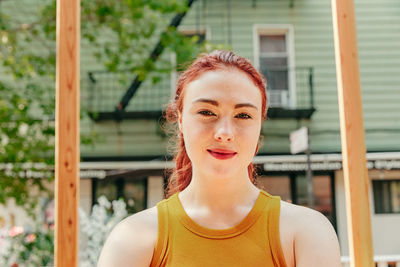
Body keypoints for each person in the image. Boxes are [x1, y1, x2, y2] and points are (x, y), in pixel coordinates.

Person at [97, 50, 341, 267]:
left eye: (243, 115)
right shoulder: (132, 238)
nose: (225, 133)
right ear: (181, 120)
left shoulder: (308, 233)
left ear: (259, 125)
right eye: (206, 112)